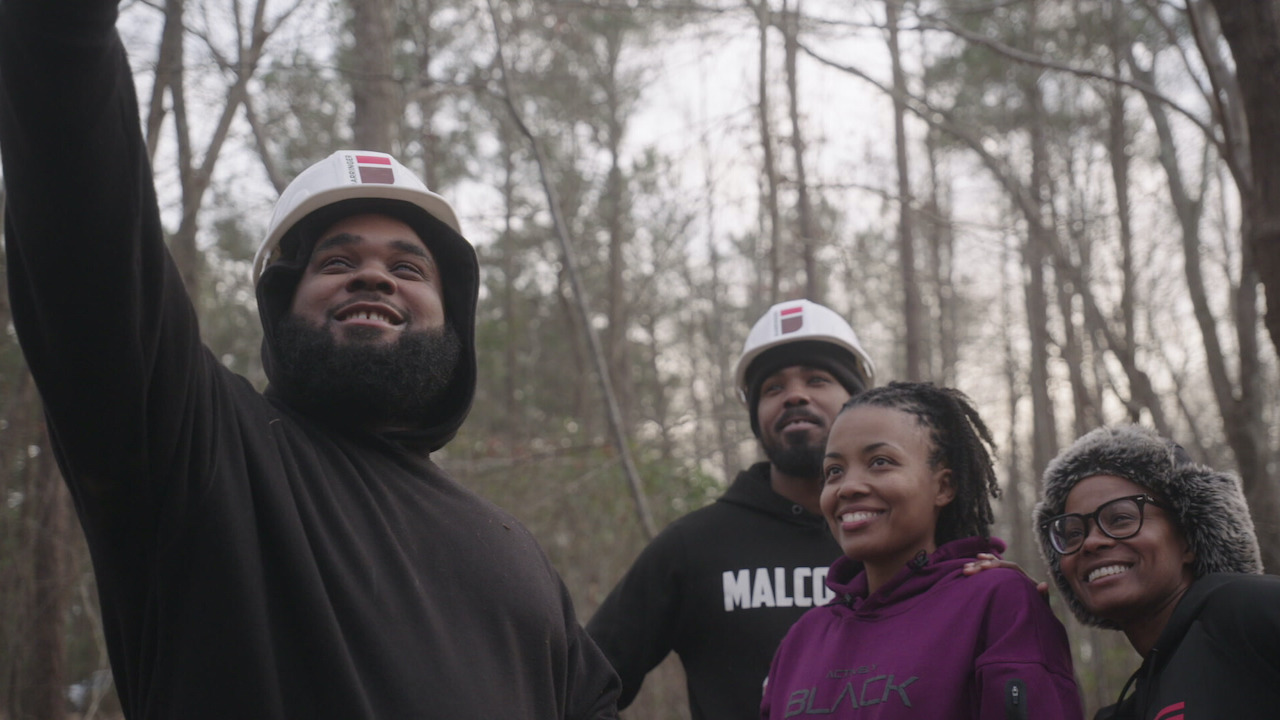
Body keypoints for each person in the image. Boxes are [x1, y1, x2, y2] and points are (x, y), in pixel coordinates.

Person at [0, 2, 619, 718]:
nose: (375, 276)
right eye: (338, 259)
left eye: (409, 268)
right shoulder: (201, 453)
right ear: (283, 302)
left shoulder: (520, 558)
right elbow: (89, 234)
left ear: (455, 321)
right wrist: (61, 27)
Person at [587, 299, 876, 719]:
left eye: (817, 379)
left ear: (858, 402)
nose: (795, 395)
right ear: (756, 416)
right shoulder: (694, 546)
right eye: (773, 388)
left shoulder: (902, 537)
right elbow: (578, 687)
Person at [762, 382, 1083, 719]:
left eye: (880, 462)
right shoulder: (803, 639)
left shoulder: (996, 601)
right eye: (835, 471)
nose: (849, 487)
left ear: (943, 486)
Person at [1035, 424, 1280, 719]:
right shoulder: (1125, 711)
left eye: (1121, 518)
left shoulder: (1247, 609)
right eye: (1073, 533)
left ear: (1189, 538)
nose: (1091, 542)